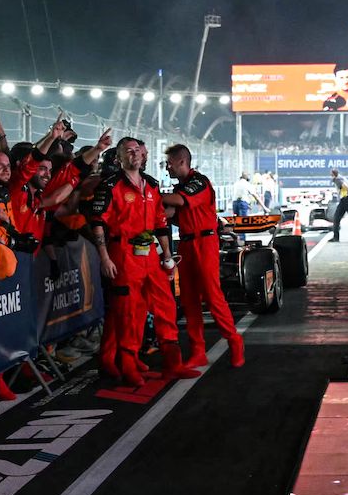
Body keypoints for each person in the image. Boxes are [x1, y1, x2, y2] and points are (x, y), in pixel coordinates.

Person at [86, 136, 192, 385]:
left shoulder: (152, 186)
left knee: (166, 306)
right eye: (128, 151)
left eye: (137, 150)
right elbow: (98, 223)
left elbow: (160, 223)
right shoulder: (110, 186)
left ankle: (173, 363)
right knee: (129, 312)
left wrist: (167, 256)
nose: (134, 154)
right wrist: (104, 258)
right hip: (122, 255)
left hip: (150, 257)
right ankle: (128, 364)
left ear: (143, 156)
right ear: (119, 158)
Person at [162, 144, 246, 368]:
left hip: (205, 242)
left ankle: (234, 341)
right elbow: (169, 211)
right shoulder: (181, 186)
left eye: (169, 162)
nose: (167, 167)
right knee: (189, 300)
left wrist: (152, 194)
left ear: (181, 161)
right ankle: (198, 350)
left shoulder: (199, 181)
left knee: (212, 296)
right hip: (187, 244)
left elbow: (178, 202)